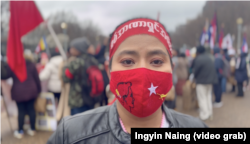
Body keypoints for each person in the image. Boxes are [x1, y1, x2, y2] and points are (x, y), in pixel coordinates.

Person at [47, 18, 207, 144]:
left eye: (157, 61)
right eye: (128, 61)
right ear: (109, 71)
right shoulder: (71, 134)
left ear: (171, 69)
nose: (143, 72)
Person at [0, 49, 41, 139]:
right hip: (31, 90)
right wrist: (39, 90)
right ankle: (32, 129)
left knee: (21, 111)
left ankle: (20, 131)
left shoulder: (14, 65)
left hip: (18, 91)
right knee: (31, 110)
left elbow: (5, 75)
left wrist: (4, 64)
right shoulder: (31, 64)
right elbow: (37, 79)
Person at [61, 37, 101, 115]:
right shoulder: (93, 60)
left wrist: (65, 65)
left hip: (77, 100)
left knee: (77, 125)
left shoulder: (76, 62)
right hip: (90, 98)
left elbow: (65, 78)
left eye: (72, 48)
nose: (70, 50)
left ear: (78, 49)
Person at [192, 46, 218, 120]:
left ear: (198, 52)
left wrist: (194, 77)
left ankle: (204, 115)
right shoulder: (209, 58)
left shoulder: (198, 59)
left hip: (201, 81)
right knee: (208, 97)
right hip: (210, 81)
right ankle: (210, 113)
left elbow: (195, 71)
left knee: (202, 98)